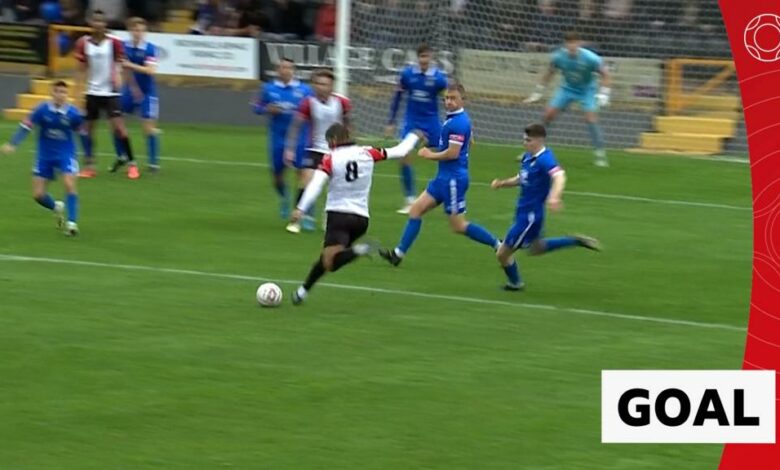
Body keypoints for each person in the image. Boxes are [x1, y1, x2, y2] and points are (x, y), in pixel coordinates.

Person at [290, 123, 421, 305]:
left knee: (331, 261)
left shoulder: (331, 158)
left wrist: (301, 208)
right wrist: (414, 136)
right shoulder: (368, 152)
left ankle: (361, 249)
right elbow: (400, 151)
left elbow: (316, 184)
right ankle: (301, 292)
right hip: (361, 219)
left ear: (334, 140)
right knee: (327, 258)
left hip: (338, 217)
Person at [379, 82, 500, 267]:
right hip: (443, 178)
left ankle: (498, 244)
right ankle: (398, 254)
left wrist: (429, 154)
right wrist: (437, 146)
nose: (449, 102)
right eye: (446, 98)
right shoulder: (455, 119)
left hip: (453, 181)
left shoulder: (458, 122)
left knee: (458, 226)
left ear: (463, 100)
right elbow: (468, 143)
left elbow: (452, 153)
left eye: (453, 98)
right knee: (415, 210)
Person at [491, 123, 600, 291]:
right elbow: (522, 177)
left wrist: (554, 197)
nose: (524, 143)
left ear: (539, 140)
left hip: (530, 217)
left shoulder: (545, 158)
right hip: (523, 211)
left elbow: (559, 176)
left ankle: (515, 283)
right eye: (524, 140)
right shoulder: (529, 157)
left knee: (502, 253)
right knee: (537, 249)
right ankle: (574, 241)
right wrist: (502, 183)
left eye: (528, 140)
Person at [1, 81, 83, 236]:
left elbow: (82, 132)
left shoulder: (73, 113)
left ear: (67, 95)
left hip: (66, 154)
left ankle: (72, 223)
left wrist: (88, 155)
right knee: (38, 195)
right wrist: (13, 143)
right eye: (57, 91)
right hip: (45, 155)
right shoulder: (41, 110)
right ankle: (56, 207)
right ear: (52, 93)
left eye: (63, 92)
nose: (60, 95)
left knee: (69, 183)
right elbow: (26, 127)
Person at [524, 31, 612, 167]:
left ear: (579, 43)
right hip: (567, 89)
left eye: (574, 43)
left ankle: (600, 153)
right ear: (565, 44)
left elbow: (605, 74)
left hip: (587, 90)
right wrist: (538, 91)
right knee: (548, 115)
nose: (572, 46)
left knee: (591, 118)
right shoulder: (559, 57)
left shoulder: (590, 58)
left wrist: (604, 94)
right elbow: (549, 73)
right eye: (569, 43)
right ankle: (534, 149)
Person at [284, 69, 350, 234]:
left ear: (331, 86)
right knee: (306, 182)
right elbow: (296, 125)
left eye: (325, 84)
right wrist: (290, 149)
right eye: (318, 84)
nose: (321, 87)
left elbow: (349, 123)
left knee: (336, 188)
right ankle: (298, 219)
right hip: (315, 148)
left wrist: (350, 146)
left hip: (337, 151)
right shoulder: (308, 102)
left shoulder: (342, 102)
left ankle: (329, 218)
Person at [74, 9, 138, 179]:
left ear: (105, 24)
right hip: (92, 91)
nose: (98, 24)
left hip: (110, 92)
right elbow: (81, 70)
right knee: (87, 130)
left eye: (101, 21)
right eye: (95, 21)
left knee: (120, 129)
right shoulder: (83, 43)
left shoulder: (114, 42)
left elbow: (121, 63)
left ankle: (132, 164)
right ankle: (89, 166)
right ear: (91, 23)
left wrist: (119, 77)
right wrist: (78, 92)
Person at [385, 43, 448, 215]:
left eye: (427, 56)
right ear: (417, 58)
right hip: (412, 122)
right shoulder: (407, 75)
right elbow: (397, 96)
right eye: (421, 57)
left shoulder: (439, 79)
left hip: (432, 122)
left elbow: (448, 99)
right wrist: (391, 121)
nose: (424, 60)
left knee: (445, 156)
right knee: (404, 156)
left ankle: (443, 193)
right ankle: (411, 200)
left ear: (431, 57)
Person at [252, 58, 312, 219]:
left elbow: (313, 109)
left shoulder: (305, 90)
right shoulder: (268, 88)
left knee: (303, 173)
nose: (285, 70)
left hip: (300, 137)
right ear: (277, 70)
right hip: (278, 138)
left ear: (293, 70)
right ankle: (284, 197)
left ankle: (303, 212)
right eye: (282, 67)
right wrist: (267, 108)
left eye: (289, 67)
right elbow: (256, 107)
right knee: (277, 175)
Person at [117, 17, 161, 172]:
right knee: (117, 120)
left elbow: (150, 70)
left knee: (148, 128)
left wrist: (130, 65)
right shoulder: (123, 46)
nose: (138, 33)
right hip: (130, 90)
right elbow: (123, 69)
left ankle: (153, 163)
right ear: (130, 31)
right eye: (135, 30)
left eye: (141, 30)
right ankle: (122, 155)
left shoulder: (150, 48)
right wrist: (128, 86)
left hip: (148, 92)